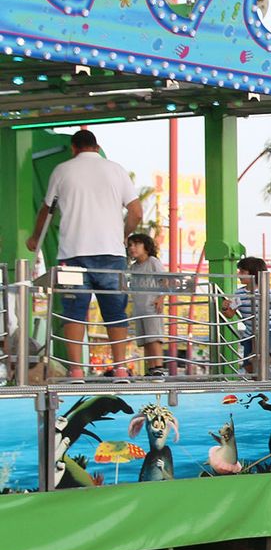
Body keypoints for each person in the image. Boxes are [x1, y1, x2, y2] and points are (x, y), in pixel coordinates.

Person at [26, 128, 143, 376]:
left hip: (73, 253)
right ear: (97, 147)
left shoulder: (62, 170)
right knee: (115, 310)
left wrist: (36, 238)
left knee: (74, 312)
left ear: (73, 148)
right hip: (111, 254)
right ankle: (121, 368)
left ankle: (77, 371)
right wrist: (124, 233)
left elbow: (46, 210)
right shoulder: (117, 170)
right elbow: (136, 212)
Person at [222, 257, 271, 376]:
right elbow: (230, 314)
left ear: (253, 273)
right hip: (249, 333)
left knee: (258, 358)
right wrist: (225, 307)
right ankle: (259, 386)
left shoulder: (267, 291)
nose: (239, 275)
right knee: (248, 365)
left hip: (267, 331)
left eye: (242, 272)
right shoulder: (239, 293)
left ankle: (268, 384)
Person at [124, 233, 168, 377]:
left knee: (154, 338)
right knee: (145, 340)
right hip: (139, 307)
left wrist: (160, 298)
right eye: (130, 245)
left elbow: (165, 280)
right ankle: (151, 367)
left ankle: (158, 367)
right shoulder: (134, 267)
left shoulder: (153, 262)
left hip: (151, 306)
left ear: (146, 246)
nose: (132, 248)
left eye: (136, 244)